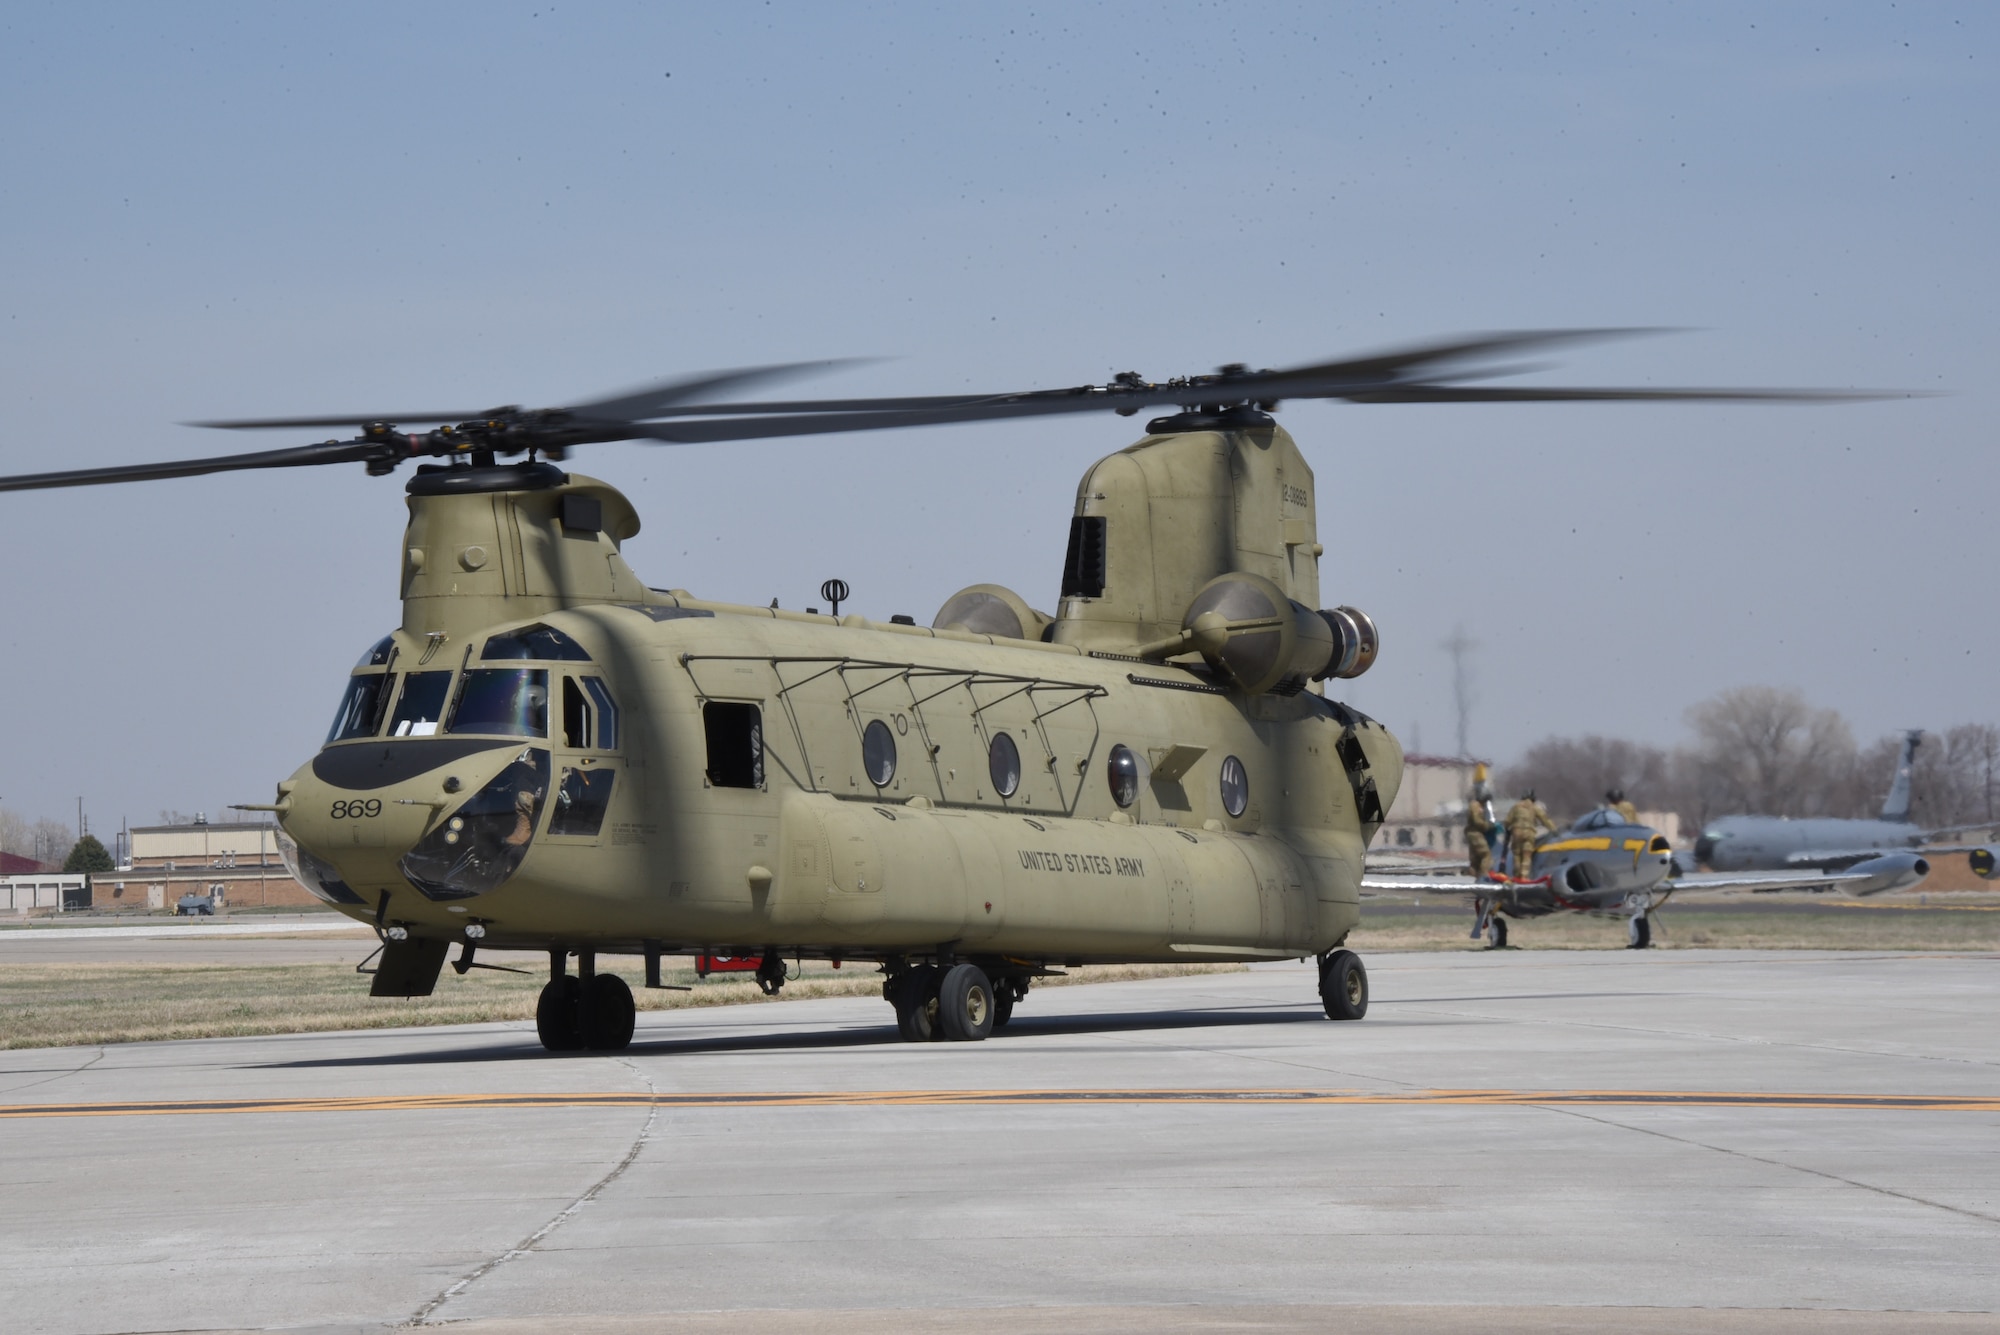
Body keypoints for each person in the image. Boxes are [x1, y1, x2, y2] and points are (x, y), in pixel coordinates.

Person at [1504, 789, 1557, 880]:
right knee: (1526, 854)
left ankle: (1516, 876)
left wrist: (1508, 829)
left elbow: (1507, 821)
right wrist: (1554, 830)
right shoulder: (1534, 807)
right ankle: (1524, 876)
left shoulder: (1515, 807)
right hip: (1529, 833)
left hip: (1516, 833)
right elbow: (1545, 820)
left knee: (1517, 854)